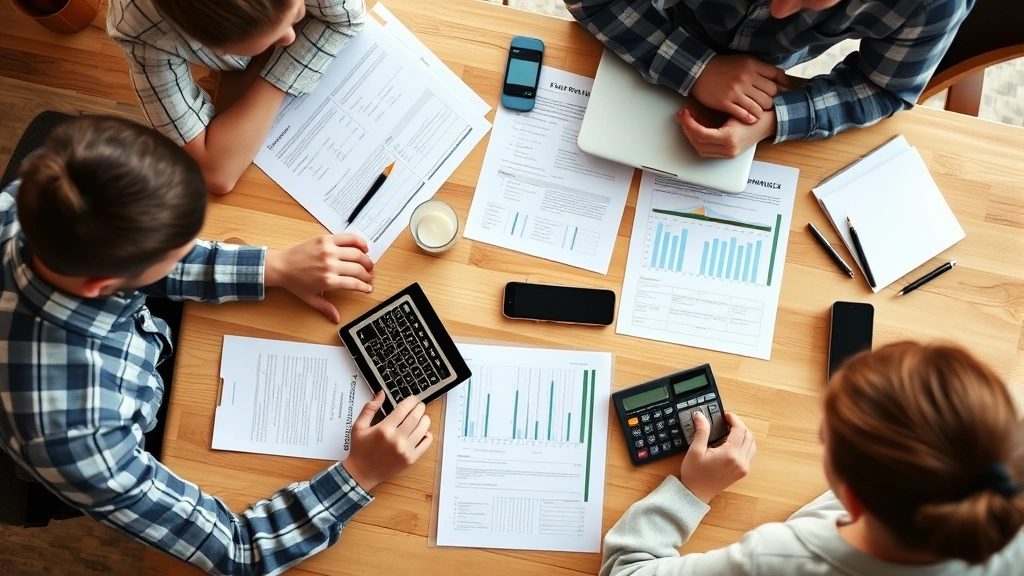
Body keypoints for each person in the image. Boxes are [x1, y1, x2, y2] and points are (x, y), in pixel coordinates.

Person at [0, 116, 432, 575]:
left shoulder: (32, 192)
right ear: (102, 283)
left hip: (127, 344)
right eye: (176, 250)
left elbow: (147, 257)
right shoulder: (79, 437)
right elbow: (236, 551)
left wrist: (273, 267)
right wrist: (358, 475)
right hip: (112, 422)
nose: (193, 249)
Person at [601, 341, 1024, 575]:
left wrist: (693, 490)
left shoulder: (781, 561)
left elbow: (626, 570)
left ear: (852, 503)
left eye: (826, 439)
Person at [565, 0, 973, 159]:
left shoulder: (934, 3)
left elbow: (884, 88)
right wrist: (696, 68)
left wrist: (777, 117)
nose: (780, 11)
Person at [107, 0, 365, 194]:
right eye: (269, 41)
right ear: (208, 44)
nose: (290, 39)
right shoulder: (139, 26)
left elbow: (348, 17)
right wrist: (277, 79)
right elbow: (215, 172)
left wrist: (275, 70)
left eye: (296, 10)